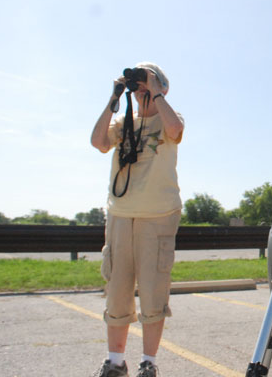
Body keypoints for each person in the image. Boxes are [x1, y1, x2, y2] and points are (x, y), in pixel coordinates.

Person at [90, 62, 184, 377]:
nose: (141, 89)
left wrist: (156, 91)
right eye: (138, 84)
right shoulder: (122, 122)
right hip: (120, 215)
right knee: (117, 291)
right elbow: (98, 142)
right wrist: (114, 97)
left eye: (146, 82)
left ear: (161, 86)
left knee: (154, 292)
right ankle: (115, 362)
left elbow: (174, 131)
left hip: (158, 215)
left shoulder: (170, 117)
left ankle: (149, 363)